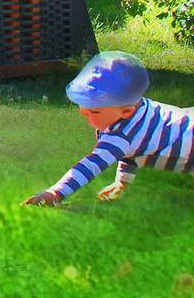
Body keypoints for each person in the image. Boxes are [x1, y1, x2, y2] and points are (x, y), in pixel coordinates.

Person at [24, 51, 193, 206]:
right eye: (83, 104)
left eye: (94, 110)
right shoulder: (138, 110)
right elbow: (131, 152)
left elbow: (90, 166)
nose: (83, 111)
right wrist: (122, 183)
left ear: (126, 112)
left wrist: (55, 192)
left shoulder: (121, 135)